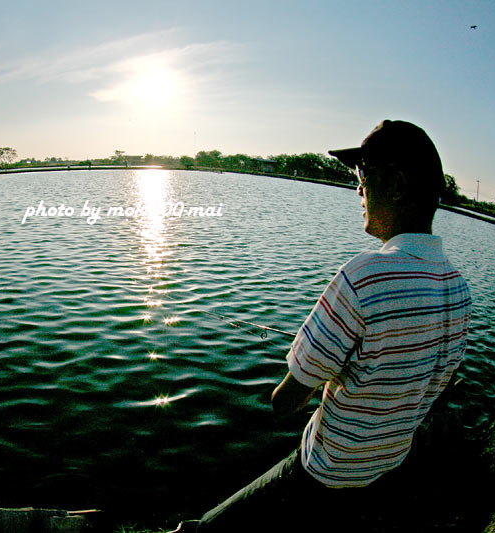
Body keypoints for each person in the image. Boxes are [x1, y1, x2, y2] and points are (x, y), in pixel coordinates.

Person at [185, 120, 472, 532]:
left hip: (327, 473)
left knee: (208, 528)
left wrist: (327, 369)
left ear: (396, 184)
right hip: (388, 469)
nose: (357, 189)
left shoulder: (364, 277)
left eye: (363, 175)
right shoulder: (460, 291)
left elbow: (284, 402)